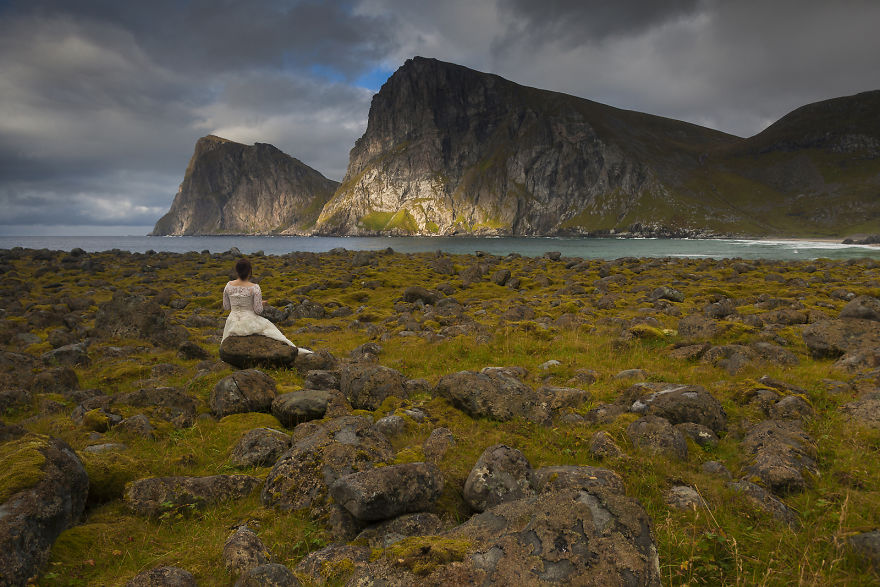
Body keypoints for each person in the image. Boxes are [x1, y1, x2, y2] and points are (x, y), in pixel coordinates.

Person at [222, 258, 312, 354]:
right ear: (249, 272)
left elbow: (226, 307)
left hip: (232, 322)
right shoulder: (254, 287)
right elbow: (258, 310)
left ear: (237, 271)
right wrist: (261, 303)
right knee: (274, 333)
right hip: (248, 321)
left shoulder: (228, 285)